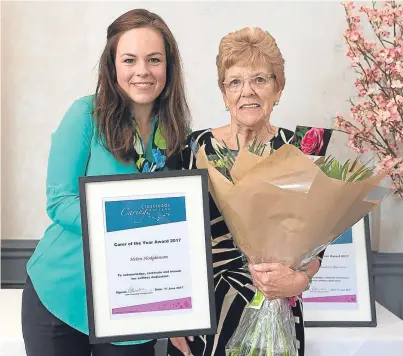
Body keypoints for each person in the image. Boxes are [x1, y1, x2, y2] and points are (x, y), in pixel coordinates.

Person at [21, 8, 190, 356]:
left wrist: (181, 309)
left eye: (154, 59)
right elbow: (59, 201)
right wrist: (133, 219)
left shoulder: (178, 134)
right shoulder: (85, 116)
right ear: (112, 67)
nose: (142, 71)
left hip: (133, 306)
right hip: (62, 297)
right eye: (129, 59)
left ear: (168, 68)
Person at [168, 27, 324, 356]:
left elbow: (318, 244)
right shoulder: (193, 147)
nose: (247, 92)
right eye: (235, 81)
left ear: (278, 87)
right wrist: (174, 319)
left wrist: (298, 281)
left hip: (278, 304)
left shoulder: (303, 148)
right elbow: (173, 238)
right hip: (205, 315)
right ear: (223, 93)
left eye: (260, 80)